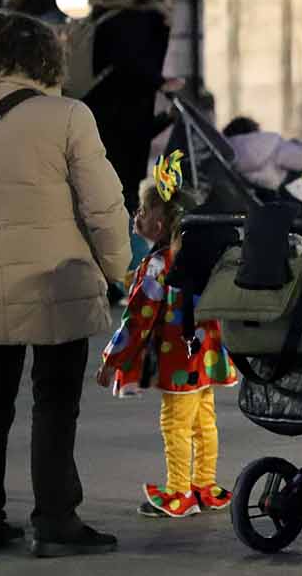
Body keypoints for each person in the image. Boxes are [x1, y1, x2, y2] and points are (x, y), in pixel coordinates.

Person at [0, 10, 132, 555]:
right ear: (44, 57)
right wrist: (120, 270)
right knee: (55, 400)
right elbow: (103, 206)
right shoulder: (67, 116)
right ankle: (55, 519)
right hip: (58, 280)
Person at [98, 153, 237, 517]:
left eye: (141, 212)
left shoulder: (158, 266)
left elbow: (138, 320)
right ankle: (205, 484)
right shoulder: (195, 256)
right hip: (207, 352)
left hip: (178, 357)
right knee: (204, 418)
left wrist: (112, 359)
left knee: (175, 422)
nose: (136, 217)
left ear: (158, 224)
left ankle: (178, 491)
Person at [83, 0, 174, 214]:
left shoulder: (103, 15)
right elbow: (134, 66)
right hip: (127, 124)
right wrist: (160, 82)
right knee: (124, 197)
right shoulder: (146, 19)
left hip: (94, 115)